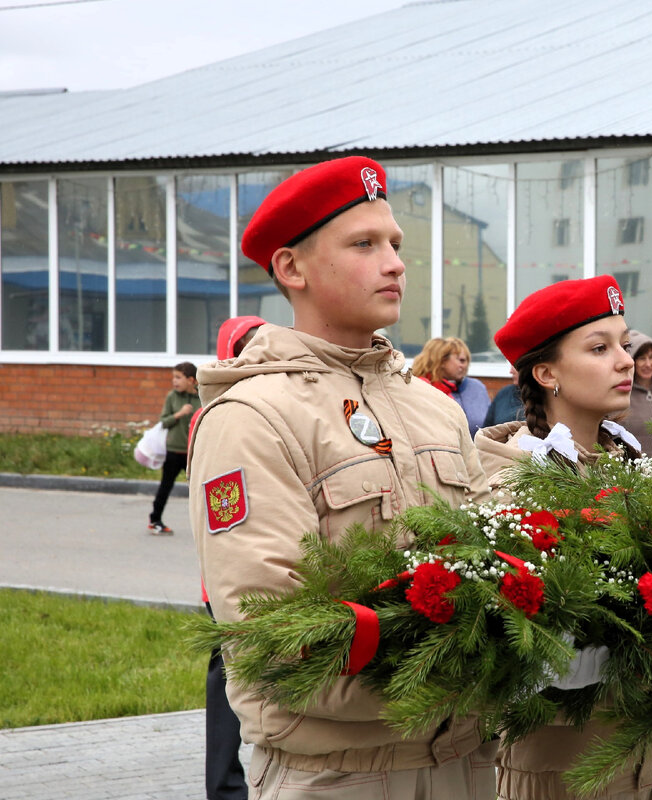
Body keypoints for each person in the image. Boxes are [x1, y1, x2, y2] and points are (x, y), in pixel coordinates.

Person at [188, 156, 497, 800]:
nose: (394, 263)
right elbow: (275, 636)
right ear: (291, 269)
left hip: (465, 765)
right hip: (338, 777)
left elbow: (496, 563)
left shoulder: (436, 409)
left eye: (395, 244)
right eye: (364, 244)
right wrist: (479, 662)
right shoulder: (255, 417)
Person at [476, 274, 652, 800]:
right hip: (564, 765)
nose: (625, 360)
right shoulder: (516, 482)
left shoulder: (630, 464)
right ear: (547, 373)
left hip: (650, 756)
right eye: (599, 348)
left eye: (624, 342)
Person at [199, 315, 264, 800]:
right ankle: (224, 787)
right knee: (229, 684)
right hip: (230, 578)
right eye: (250, 345)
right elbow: (225, 508)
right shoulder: (218, 414)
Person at [148, 361, 200, 535]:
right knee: (165, 486)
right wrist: (179, 414)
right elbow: (164, 421)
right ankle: (155, 520)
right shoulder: (172, 397)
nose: (174, 381)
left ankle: (208, 523)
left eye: (178, 377)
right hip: (173, 451)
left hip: (192, 453)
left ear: (191, 380)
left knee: (199, 488)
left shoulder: (201, 397)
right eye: (173, 377)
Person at [412, 336, 491, 436]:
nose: (464, 365)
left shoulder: (477, 388)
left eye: (466, 361)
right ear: (442, 361)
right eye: (461, 360)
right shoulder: (424, 387)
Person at [624, 330, 652, 442]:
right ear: (632, 361)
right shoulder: (622, 394)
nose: (648, 364)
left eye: (651, 357)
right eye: (642, 358)